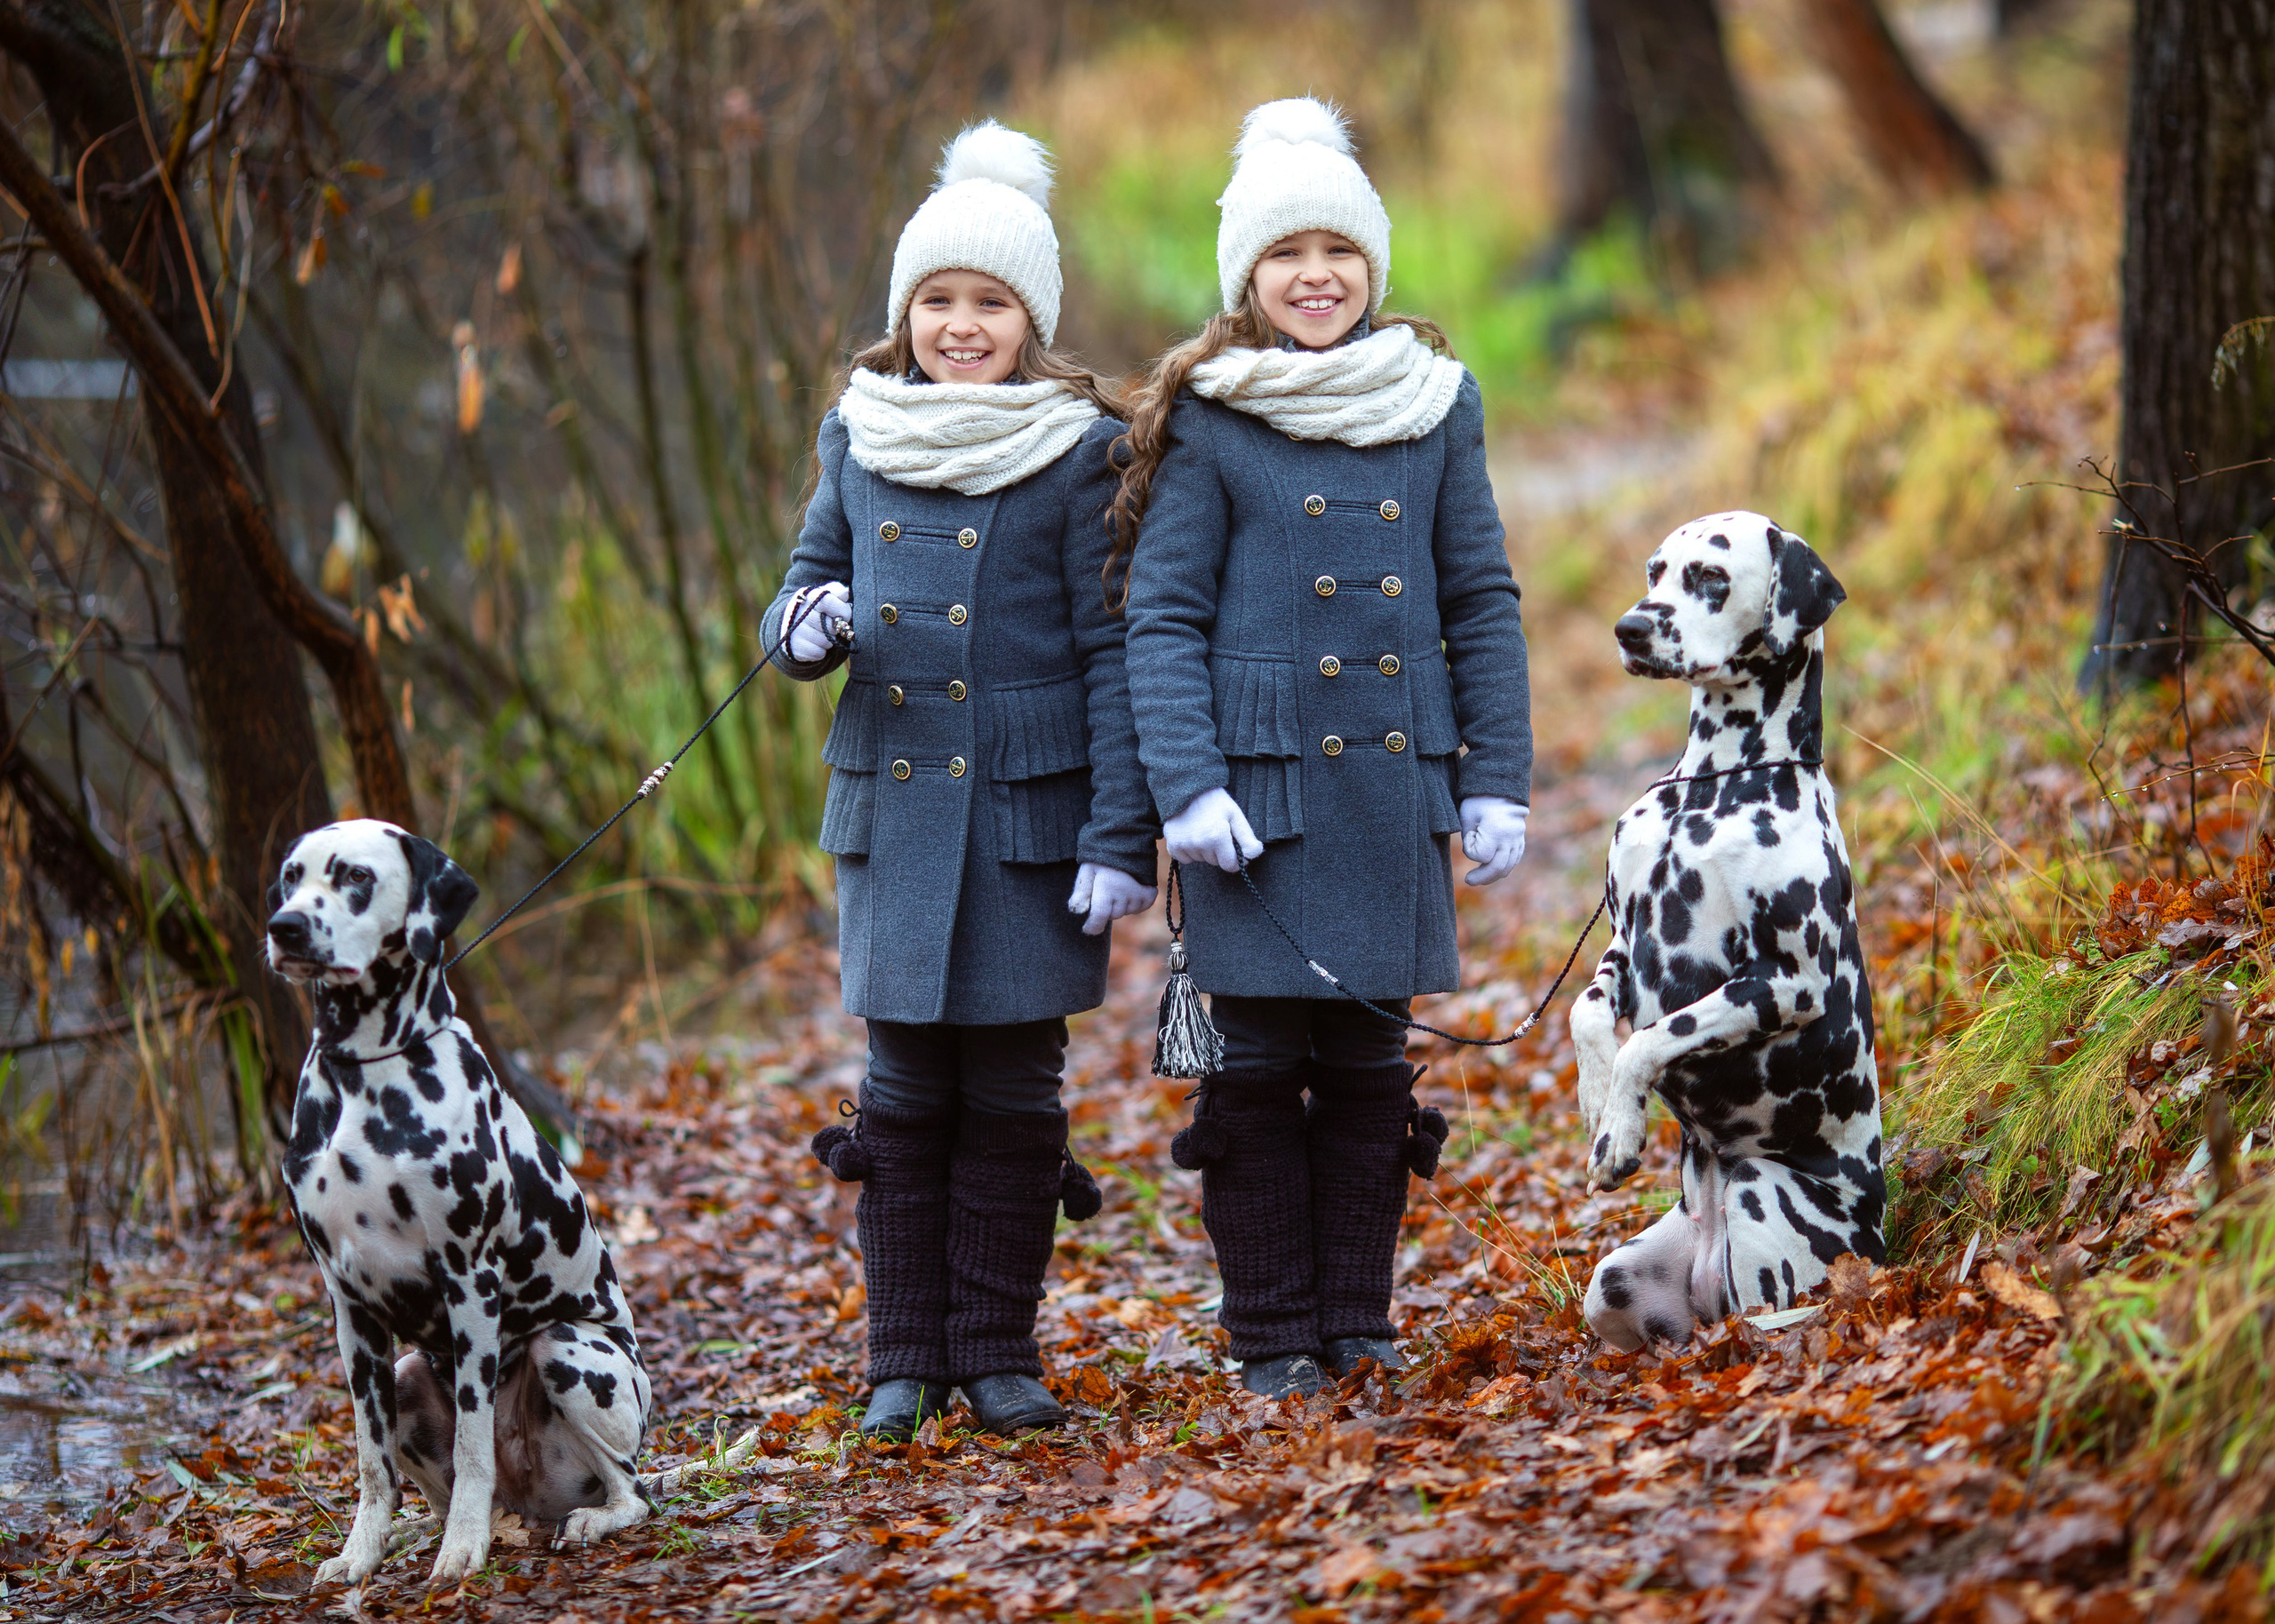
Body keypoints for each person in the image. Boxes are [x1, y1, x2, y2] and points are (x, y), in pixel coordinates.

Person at [1114, 98, 1534, 1398]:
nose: (1316, 277)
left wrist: (1497, 775)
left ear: (1374, 267)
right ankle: (1268, 1332)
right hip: (1257, 805)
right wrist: (1184, 787)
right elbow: (1164, 612)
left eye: (1340, 254)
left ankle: (1357, 1319)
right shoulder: (1213, 413)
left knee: (1366, 1068)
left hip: (1386, 790)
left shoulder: (1436, 403)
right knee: (1254, 1074)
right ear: (1248, 275)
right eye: (1288, 256)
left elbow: (1479, 597)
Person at [763, 123, 1157, 1440]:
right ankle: (900, 1359)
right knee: (901, 1092)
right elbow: (799, 592)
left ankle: (995, 1352)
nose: (962, 325)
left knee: (1011, 1090)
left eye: (990, 302)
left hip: (1028, 824)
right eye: (938, 300)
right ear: (905, 312)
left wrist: (1120, 834)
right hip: (893, 812)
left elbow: (1112, 652)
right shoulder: (858, 438)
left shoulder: (1078, 450)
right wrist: (805, 628)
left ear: (1032, 318)